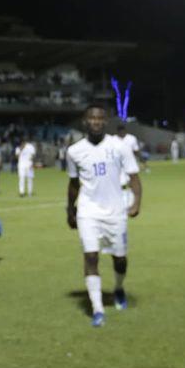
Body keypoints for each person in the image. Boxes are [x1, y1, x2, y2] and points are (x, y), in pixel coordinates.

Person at [66, 106, 142, 328]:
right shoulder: (74, 151)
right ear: (85, 122)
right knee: (91, 257)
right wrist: (70, 210)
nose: (96, 122)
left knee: (119, 259)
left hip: (116, 211)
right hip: (88, 211)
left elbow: (134, 177)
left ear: (105, 121)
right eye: (92, 118)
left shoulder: (119, 146)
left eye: (100, 118)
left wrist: (136, 203)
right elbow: (72, 183)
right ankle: (98, 309)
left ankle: (118, 288)